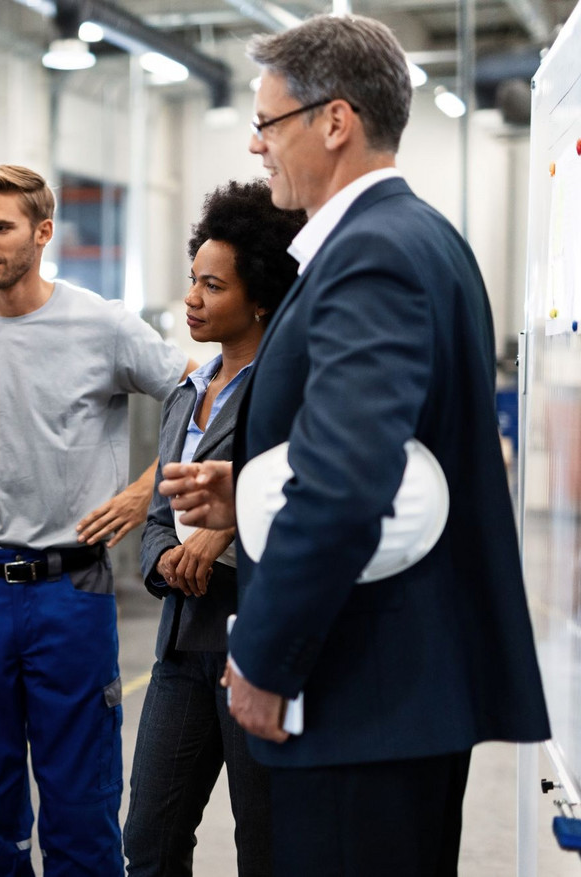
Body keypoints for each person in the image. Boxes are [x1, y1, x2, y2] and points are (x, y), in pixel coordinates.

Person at [158, 15, 550, 876]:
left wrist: (266, 656)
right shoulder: (417, 238)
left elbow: (346, 481)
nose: (259, 150)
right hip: (393, 694)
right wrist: (250, 487)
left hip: (363, 692)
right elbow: (381, 449)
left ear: (334, 122)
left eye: (268, 124)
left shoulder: (371, 254)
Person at [0, 164, 191, 876]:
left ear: (43, 232)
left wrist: (150, 490)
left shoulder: (103, 325)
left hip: (70, 592)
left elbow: (199, 397)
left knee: (81, 801)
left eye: (0, 227)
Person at [125, 181, 305, 877]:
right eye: (192, 280)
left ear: (259, 296)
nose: (193, 298)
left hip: (251, 631)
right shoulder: (186, 390)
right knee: (151, 834)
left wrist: (222, 541)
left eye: (212, 285)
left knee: (263, 839)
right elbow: (157, 510)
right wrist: (166, 555)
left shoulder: (286, 392)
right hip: (181, 639)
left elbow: (299, 502)